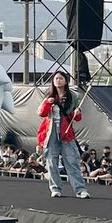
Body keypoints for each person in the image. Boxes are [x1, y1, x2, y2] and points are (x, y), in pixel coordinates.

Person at [36, 70, 88, 199]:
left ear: (65, 81)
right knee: (51, 162)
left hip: (66, 131)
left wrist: (77, 112)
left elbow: (77, 117)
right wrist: (48, 102)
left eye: (61, 78)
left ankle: (80, 189)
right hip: (51, 131)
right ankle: (55, 188)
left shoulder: (73, 96)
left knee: (72, 161)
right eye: (56, 78)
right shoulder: (49, 95)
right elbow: (41, 113)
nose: (58, 81)